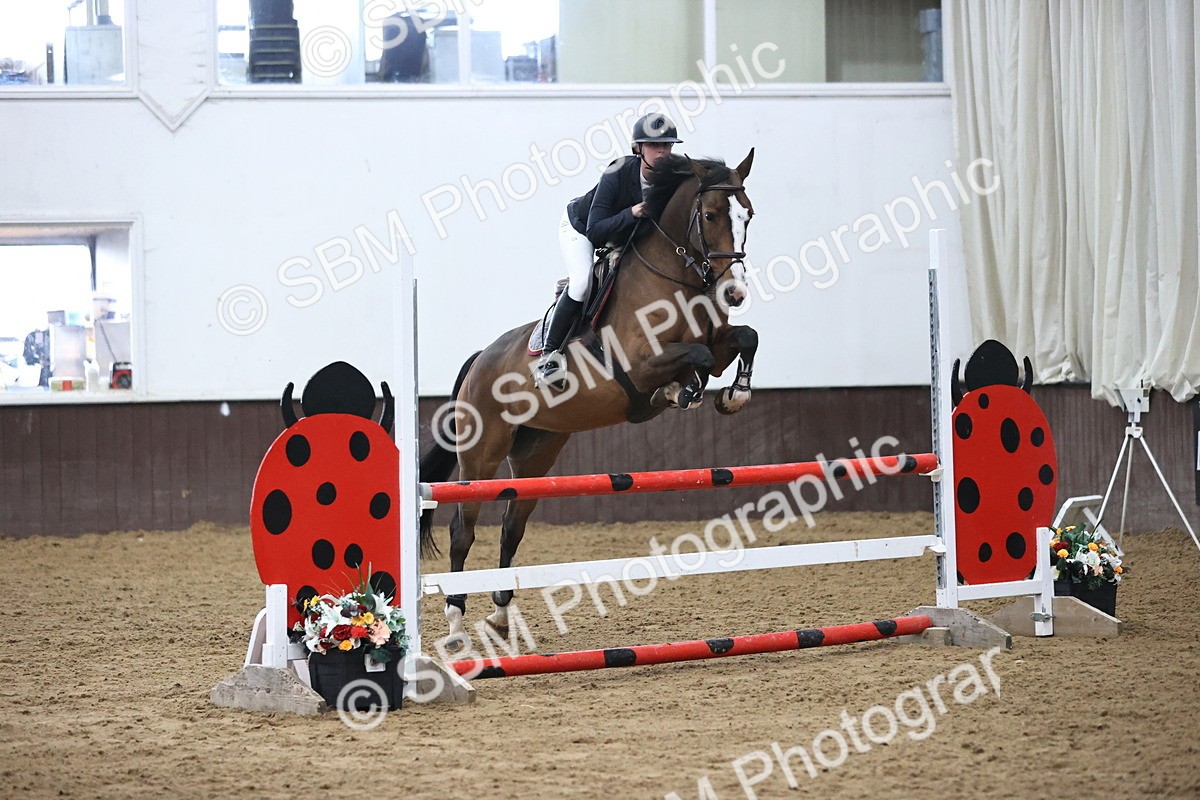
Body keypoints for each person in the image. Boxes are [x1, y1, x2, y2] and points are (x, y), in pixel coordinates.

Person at [536, 112, 683, 389]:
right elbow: (596, 230)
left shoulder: (674, 177)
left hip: (623, 235)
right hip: (581, 228)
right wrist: (633, 212)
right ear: (638, 148)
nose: (662, 151)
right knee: (582, 282)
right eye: (654, 145)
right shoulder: (617, 171)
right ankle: (549, 356)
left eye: (667, 145)